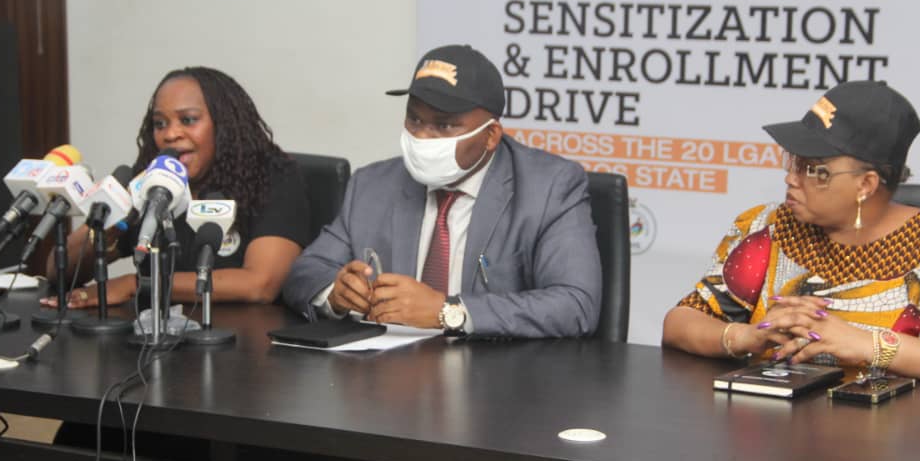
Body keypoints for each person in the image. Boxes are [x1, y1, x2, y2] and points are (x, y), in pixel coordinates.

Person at [661, 80, 920, 382]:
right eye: (793, 162)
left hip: (893, 450)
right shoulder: (767, 228)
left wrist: (872, 345)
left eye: (813, 169)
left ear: (865, 184)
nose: (791, 178)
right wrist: (744, 337)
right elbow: (680, 323)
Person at [282, 45, 602, 338]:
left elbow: (575, 304)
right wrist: (335, 295)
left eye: (444, 126)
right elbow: (305, 271)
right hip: (391, 381)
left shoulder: (550, 187)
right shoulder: (373, 184)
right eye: (414, 119)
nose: (422, 136)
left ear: (491, 136)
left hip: (500, 386)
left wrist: (447, 312)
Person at [44, 66, 310, 307]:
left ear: (224, 126)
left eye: (188, 120)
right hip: (155, 343)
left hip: (245, 347)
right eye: (160, 124)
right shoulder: (153, 182)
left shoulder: (271, 177)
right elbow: (59, 271)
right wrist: (105, 216)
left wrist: (136, 285)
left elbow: (259, 284)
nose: (170, 134)